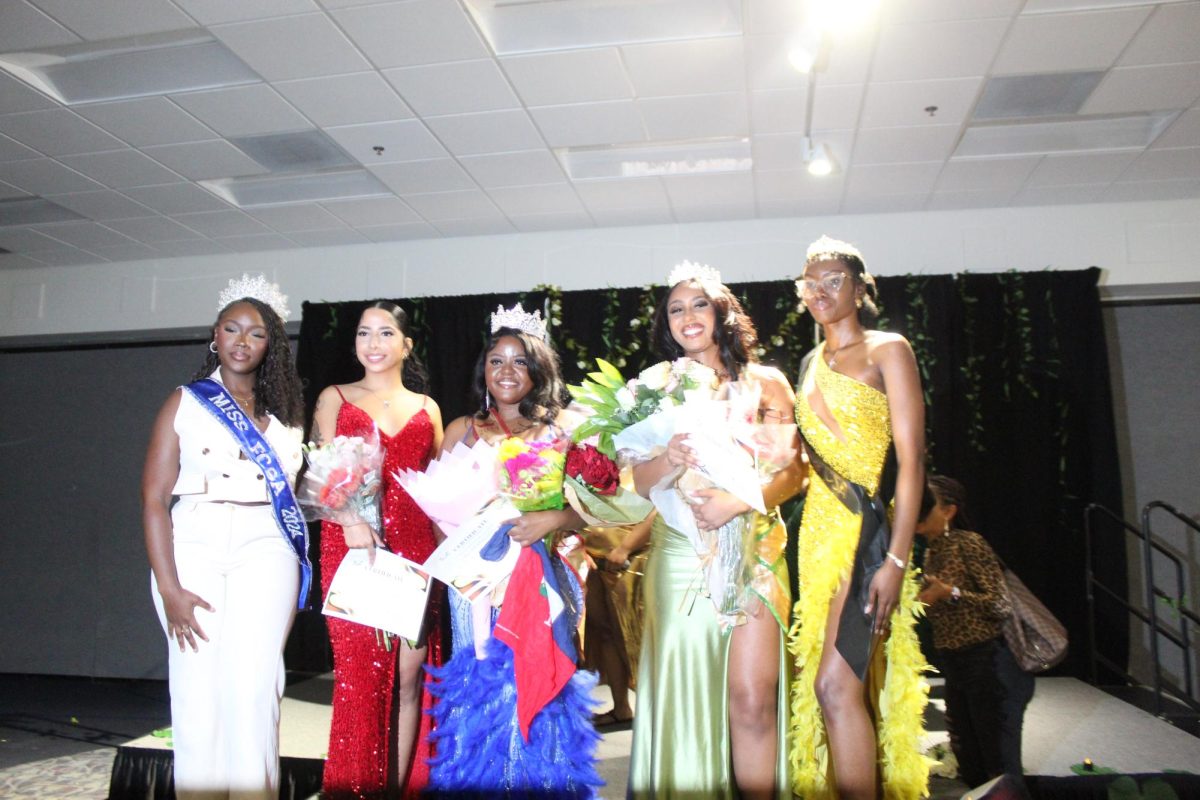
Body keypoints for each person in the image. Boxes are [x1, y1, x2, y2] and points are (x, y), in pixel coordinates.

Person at [426, 304, 645, 798]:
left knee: (542, 683)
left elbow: (607, 504)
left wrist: (557, 519)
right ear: (483, 369)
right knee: (480, 685)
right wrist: (464, 560)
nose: (506, 371)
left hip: (547, 574)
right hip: (477, 584)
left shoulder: (567, 427)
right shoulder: (462, 429)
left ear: (539, 368)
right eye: (496, 360)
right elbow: (437, 512)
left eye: (519, 361)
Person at [628, 262, 807, 800]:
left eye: (698, 304)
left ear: (721, 312)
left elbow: (793, 473)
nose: (687, 316)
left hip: (754, 552)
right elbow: (639, 483)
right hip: (680, 555)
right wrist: (670, 456)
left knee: (752, 698)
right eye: (676, 308)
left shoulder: (765, 382)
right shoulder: (653, 388)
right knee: (686, 696)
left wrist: (735, 502)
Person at [142, 274, 307, 799]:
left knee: (256, 687)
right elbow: (152, 499)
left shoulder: (287, 419)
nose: (241, 341)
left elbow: (299, 500)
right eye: (231, 329)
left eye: (255, 333)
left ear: (270, 345)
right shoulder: (186, 402)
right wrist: (169, 588)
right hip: (194, 544)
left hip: (267, 546)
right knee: (198, 691)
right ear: (215, 335)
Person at [787, 235, 930, 800]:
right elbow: (801, 462)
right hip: (813, 535)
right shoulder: (806, 363)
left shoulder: (887, 350)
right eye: (809, 283)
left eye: (832, 280)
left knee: (835, 685)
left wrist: (896, 558)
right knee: (827, 687)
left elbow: (913, 460)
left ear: (861, 287)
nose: (819, 291)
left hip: (862, 533)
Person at [311, 301, 445, 799]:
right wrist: (348, 519)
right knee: (360, 681)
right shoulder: (335, 397)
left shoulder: (428, 407)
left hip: (413, 550)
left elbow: (434, 489)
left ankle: (398, 791)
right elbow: (320, 474)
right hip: (351, 549)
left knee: (409, 680)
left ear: (405, 345)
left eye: (385, 333)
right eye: (365, 333)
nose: (373, 343)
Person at [916, 475, 1034, 788]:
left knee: (998, 765)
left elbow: (1000, 604)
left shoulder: (969, 543)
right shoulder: (930, 553)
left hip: (987, 662)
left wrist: (951, 593)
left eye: (926, 505)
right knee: (969, 761)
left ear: (949, 511)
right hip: (955, 666)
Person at [580, 512, 654, 727]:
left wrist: (625, 548)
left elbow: (657, 509)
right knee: (605, 633)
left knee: (636, 637)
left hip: (633, 560)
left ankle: (655, 712)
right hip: (593, 556)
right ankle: (621, 707)